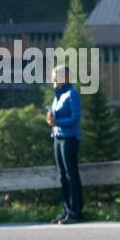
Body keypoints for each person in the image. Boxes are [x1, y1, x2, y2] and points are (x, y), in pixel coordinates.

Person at [47, 65, 84, 224]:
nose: (54, 79)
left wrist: (57, 122)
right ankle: (66, 210)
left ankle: (76, 212)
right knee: (62, 176)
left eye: (56, 76)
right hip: (57, 137)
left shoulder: (72, 94)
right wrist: (50, 119)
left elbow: (75, 119)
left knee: (71, 175)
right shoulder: (57, 96)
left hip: (69, 139)